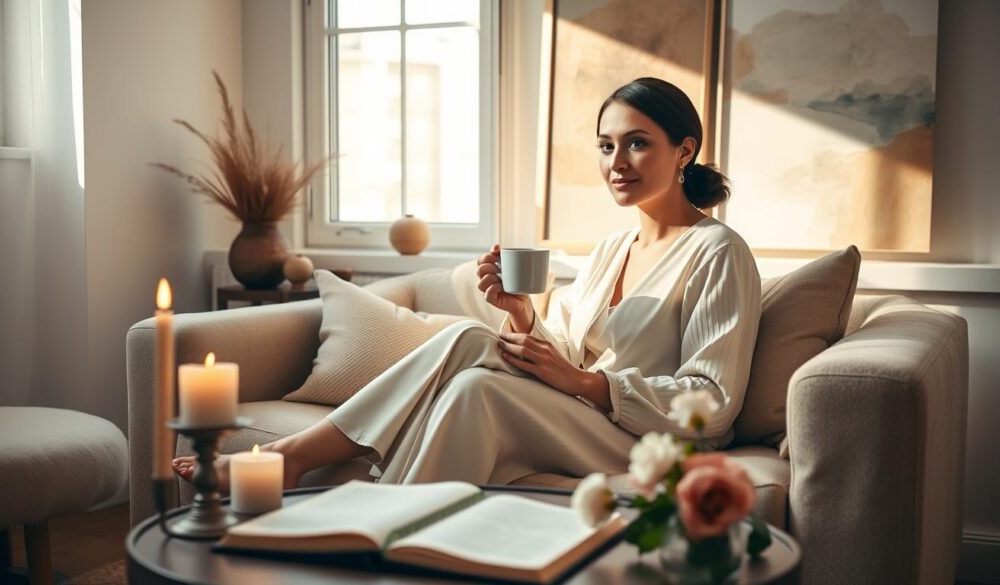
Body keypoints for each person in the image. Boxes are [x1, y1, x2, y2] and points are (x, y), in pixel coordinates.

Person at [173, 77, 761, 490]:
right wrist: (522, 315)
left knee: (467, 351)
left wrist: (588, 383)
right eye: (606, 145)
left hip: (657, 445)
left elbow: (709, 403)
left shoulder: (718, 252)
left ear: (684, 150)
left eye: (637, 143)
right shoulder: (612, 249)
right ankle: (391, 536)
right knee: (472, 383)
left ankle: (292, 462)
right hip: (589, 421)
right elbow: (557, 356)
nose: (616, 161)